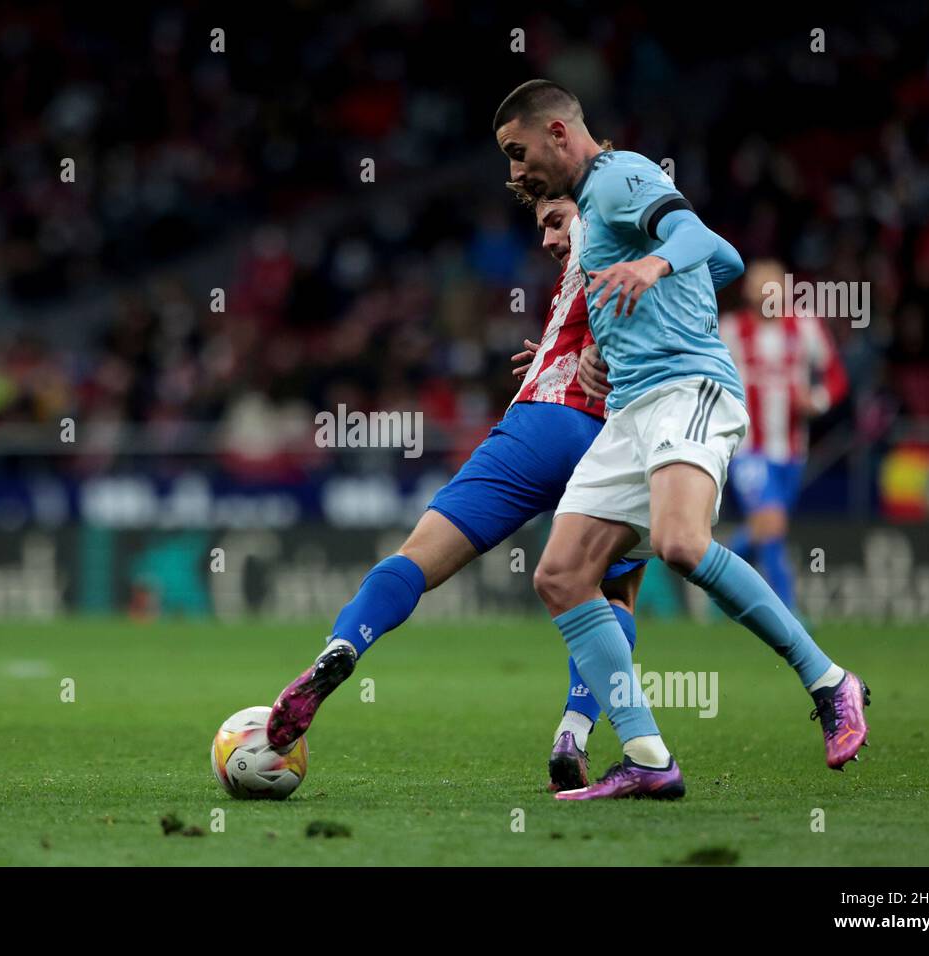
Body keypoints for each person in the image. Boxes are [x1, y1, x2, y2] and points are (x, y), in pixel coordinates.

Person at [492, 79, 870, 801]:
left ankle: (829, 682)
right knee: (561, 575)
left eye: (519, 153)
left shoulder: (621, 173)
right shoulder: (599, 209)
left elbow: (706, 243)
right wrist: (589, 350)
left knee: (680, 542)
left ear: (559, 134)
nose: (516, 173)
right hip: (632, 408)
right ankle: (646, 757)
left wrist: (656, 263)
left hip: (687, 390)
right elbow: (703, 272)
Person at [265, 193, 645, 792]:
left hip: (539, 427)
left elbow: (640, 264)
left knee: (416, 559)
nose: (547, 239)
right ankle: (574, 727)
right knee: (610, 592)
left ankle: (342, 645)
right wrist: (562, 352)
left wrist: (592, 347)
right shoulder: (613, 242)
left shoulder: (610, 211)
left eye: (552, 221)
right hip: (608, 440)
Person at [720, 259, 849, 610]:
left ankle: (713, 568)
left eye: (774, 286)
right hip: (747, 448)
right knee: (772, 524)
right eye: (761, 287)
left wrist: (818, 401)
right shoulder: (730, 330)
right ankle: (788, 613)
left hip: (792, 450)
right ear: (749, 292)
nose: (768, 294)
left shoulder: (804, 326)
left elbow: (836, 376)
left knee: (768, 528)